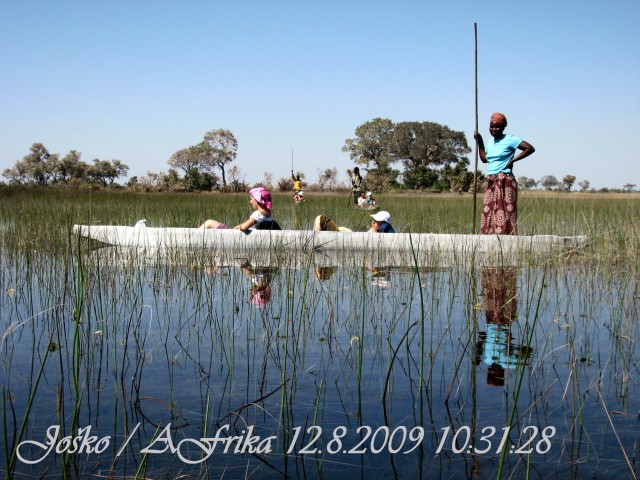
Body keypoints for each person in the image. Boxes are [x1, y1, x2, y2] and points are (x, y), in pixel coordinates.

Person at [474, 112, 535, 235]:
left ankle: (507, 239)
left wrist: (513, 160)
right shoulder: (490, 142)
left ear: (503, 127)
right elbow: (485, 159)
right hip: (491, 179)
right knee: (489, 210)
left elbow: (530, 148)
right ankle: (489, 237)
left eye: (497, 127)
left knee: (505, 211)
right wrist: (480, 142)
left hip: (505, 179)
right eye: (491, 127)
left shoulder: (510, 139)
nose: (494, 129)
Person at [199, 187, 281, 230]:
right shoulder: (268, 212)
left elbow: (245, 227)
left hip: (235, 235)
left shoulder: (258, 213)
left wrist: (236, 227)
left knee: (209, 222)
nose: (250, 202)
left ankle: (193, 236)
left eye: (251, 199)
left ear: (257, 200)